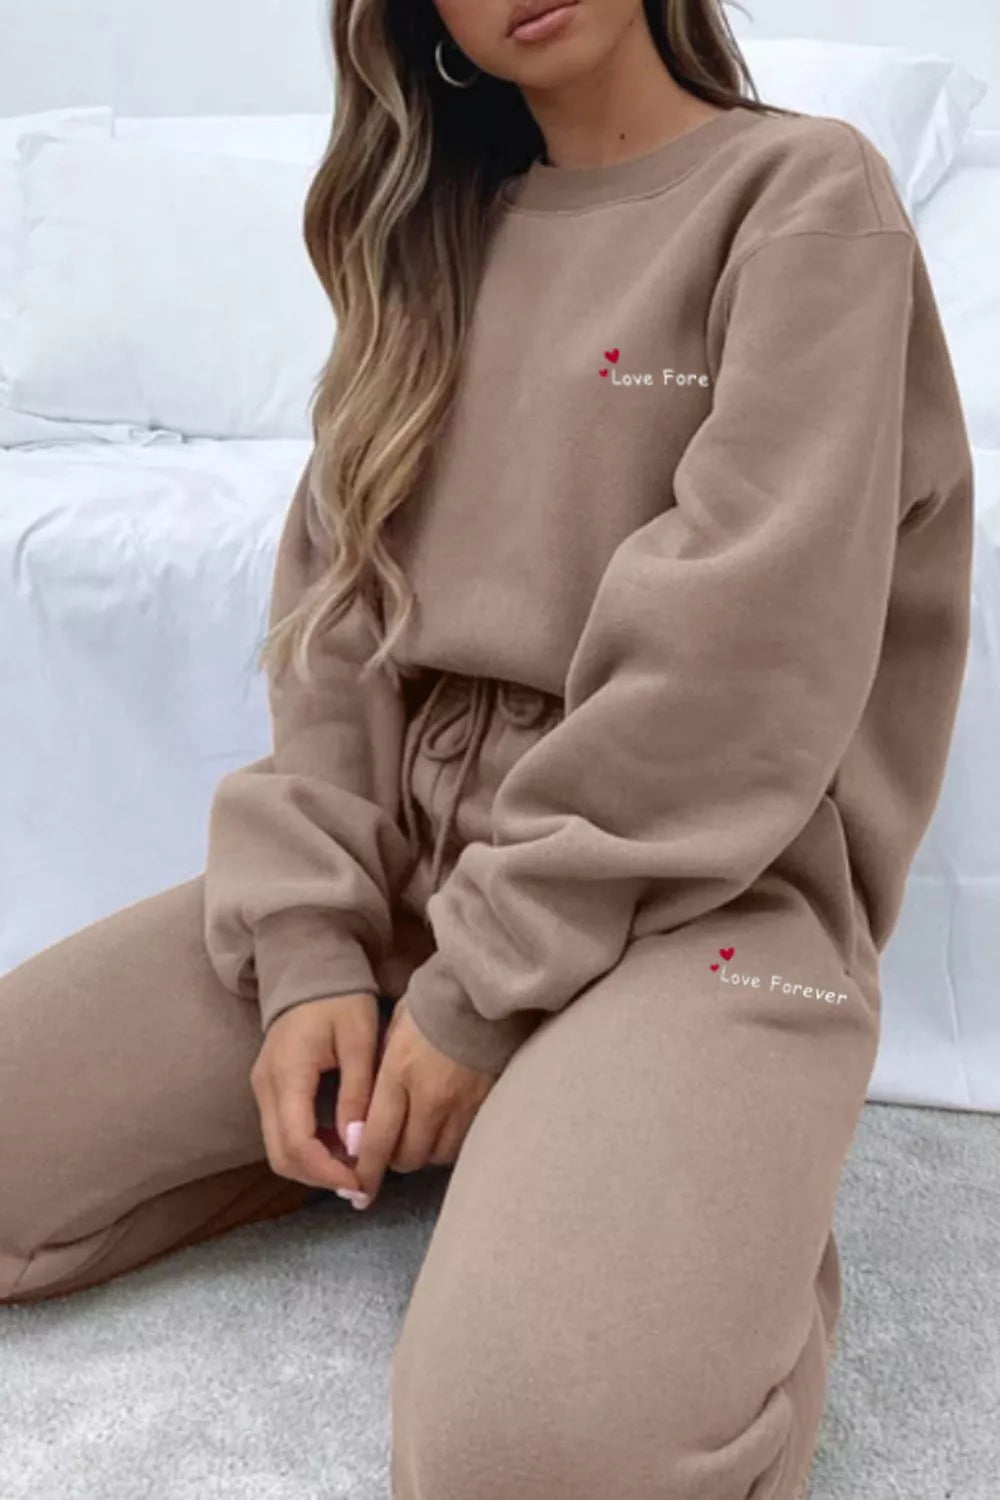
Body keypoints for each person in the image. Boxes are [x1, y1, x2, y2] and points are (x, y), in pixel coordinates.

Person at [0, 2, 974, 1497]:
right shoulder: (432, 237)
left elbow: (738, 663)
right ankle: (483, 1148)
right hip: (405, 869)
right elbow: (334, 632)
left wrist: (475, 997)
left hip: (700, 901)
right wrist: (312, 952)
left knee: (535, 1459)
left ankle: (713, 1223)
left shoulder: (804, 196)